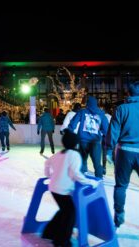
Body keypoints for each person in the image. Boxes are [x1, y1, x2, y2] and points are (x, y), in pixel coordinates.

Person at [42, 130, 99, 246]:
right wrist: (91, 182)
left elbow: (47, 163)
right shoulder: (74, 155)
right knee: (70, 214)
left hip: (54, 188)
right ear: (76, 144)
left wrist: (50, 175)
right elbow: (76, 174)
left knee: (64, 211)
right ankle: (62, 241)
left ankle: (49, 232)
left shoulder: (59, 154)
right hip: (62, 190)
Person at [106, 81, 139, 228]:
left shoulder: (121, 109)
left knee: (121, 186)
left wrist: (108, 150)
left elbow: (113, 132)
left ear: (128, 93)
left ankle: (118, 217)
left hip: (125, 151)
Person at [68, 96, 109, 178]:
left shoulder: (82, 112)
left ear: (87, 103)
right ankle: (99, 183)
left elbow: (73, 124)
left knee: (82, 162)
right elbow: (106, 129)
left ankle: (81, 183)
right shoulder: (101, 114)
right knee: (97, 165)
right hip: (95, 142)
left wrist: (70, 131)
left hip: (83, 141)